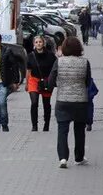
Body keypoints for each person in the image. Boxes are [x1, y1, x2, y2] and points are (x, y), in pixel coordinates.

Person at [47, 36, 93, 168]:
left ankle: (63, 158)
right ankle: (79, 157)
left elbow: (51, 81)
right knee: (79, 130)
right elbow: (88, 82)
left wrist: (58, 85)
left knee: (62, 130)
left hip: (63, 101)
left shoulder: (59, 62)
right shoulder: (85, 62)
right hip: (80, 101)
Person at [25, 35, 57, 132]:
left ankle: (46, 124)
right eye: (36, 42)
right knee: (34, 103)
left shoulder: (50, 55)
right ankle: (34, 126)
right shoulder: (30, 56)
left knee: (46, 104)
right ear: (34, 44)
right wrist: (26, 84)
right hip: (33, 80)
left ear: (44, 43)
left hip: (46, 81)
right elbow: (28, 70)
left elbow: (55, 69)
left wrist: (53, 81)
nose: (38, 44)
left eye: (40, 42)